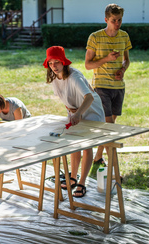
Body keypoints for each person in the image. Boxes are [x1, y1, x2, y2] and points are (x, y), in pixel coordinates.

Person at [43, 46, 105, 198]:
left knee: (86, 146)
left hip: (91, 111)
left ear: (64, 62)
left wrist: (78, 113)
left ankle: (82, 183)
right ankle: (73, 177)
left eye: (56, 62)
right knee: (74, 144)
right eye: (50, 63)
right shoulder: (54, 78)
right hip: (75, 112)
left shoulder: (74, 76)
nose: (54, 66)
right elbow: (65, 97)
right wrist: (72, 113)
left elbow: (89, 98)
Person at [85, 3, 132, 171]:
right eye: (113, 20)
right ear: (106, 19)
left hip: (118, 86)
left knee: (108, 126)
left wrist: (122, 69)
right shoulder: (95, 37)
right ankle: (114, 168)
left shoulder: (124, 36)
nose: (117, 24)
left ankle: (98, 157)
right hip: (101, 86)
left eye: (119, 20)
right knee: (110, 127)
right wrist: (106, 59)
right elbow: (88, 65)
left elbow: (127, 60)